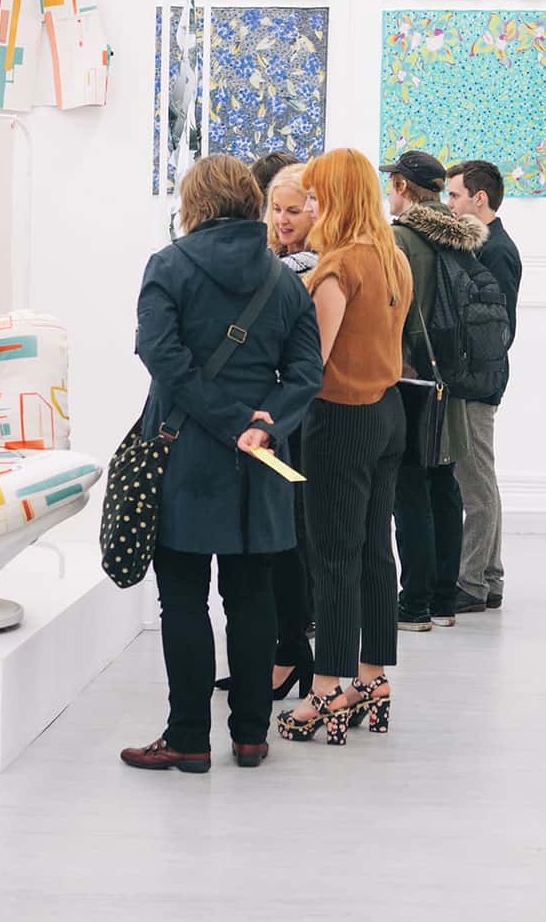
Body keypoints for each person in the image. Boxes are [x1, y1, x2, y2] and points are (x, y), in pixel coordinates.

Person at [121, 157, 324, 774]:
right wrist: (262, 423)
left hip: (184, 451)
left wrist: (226, 419)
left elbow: (160, 354)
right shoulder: (284, 278)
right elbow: (308, 373)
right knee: (252, 596)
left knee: (182, 599)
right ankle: (251, 737)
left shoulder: (170, 266)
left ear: (194, 202)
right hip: (259, 460)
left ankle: (187, 739)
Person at [277, 149, 412, 746]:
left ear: (335, 197)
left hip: (342, 419)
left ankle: (326, 688)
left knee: (333, 558)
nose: (307, 206)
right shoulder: (394, 258)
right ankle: (373, 679)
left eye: (314, 196)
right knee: (376, 554)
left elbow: (314, 363)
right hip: (388, 413)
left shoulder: (337, 268)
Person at [215, 160, 320, 699]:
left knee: (287, 542)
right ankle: (281, 653)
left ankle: (288, 654)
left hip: (289, 418)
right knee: (277, 542)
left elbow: (304, 358)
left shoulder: (305, 270)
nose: (282, 219)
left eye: (294, 210)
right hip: (276, 418)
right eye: (276, 209)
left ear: (315, 211)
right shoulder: (279, 265)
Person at [381, 150, 488, 632]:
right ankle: (445, 600)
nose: (388, 193)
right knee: (444, 484)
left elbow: (390, 312)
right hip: (453, 379)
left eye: (392, 184)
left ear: (404, 187)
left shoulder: (400, 239)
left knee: (410, 488)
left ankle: (414, 604)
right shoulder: (461, 238)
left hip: (410, 377)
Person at [446, 160, 523, 612]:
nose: (449, 205)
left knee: (474, 483)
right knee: (480, 478)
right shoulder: (488, 246)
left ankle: (472, 582)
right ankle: (489, 577)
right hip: (480, 376)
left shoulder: (495, 251)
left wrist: (470, 371)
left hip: (479, 379)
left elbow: (498, 327)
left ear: (479, 198)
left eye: (455, 196)